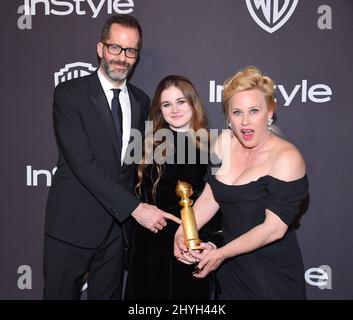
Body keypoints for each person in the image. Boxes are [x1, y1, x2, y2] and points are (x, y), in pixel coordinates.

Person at [44, 14, 179, 300]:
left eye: (130, 51)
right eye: (115, 47)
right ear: (100, 48)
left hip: (117, 235)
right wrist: (135, 209)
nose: (122, 57)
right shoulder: (70, 94)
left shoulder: (142, 101)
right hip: (72, 228)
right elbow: (83, 164)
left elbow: (137, 166)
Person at [174, 66, 309, 300]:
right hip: (230, 272)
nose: (245, 122)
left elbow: (273, 230)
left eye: (254, 111)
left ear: (270, 113)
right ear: (228, 117)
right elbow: (210, 197)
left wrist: (222, 253)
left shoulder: (287, 157)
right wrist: (182, 231)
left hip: (271, 277)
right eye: (237, 113)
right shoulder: (223, 143)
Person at [125, 75, 221, 300]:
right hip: (149, 248)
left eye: (181, 102)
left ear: (192, 103)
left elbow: (219, 203)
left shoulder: (213, 148)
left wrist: (208, 242)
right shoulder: (145, 146)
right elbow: (134, 198)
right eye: (167, 104)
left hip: (191, 247)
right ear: (160, 110)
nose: (174, 110)